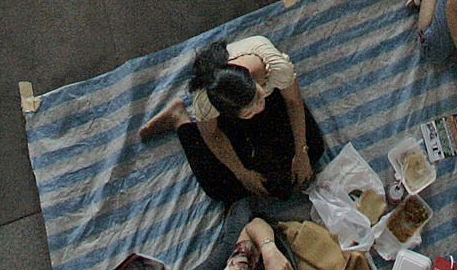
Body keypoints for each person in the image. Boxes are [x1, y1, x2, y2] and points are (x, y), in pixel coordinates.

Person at [135, 35, 328, 203]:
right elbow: (212, 134)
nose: (258, 108)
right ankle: (178, 117)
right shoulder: (205, 100)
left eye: (258, 98)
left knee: (314, 149)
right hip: (231, 120)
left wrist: (301, 152)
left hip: (273, 99)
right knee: (218, 187)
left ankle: (256, 107)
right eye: (250, 111)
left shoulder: (274, 66)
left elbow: (294, 102)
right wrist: (241, 172)